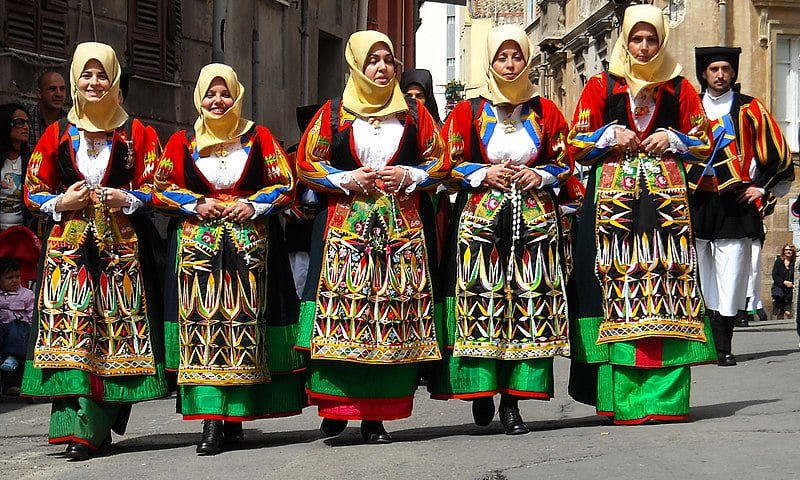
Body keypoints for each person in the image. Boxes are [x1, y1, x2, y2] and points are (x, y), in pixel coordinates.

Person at [295, 30, 448, 444]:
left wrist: (409, 175)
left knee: (390, 324)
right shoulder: (334, 114)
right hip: (345, 237)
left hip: (401, 238)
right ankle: (337, 406)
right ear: (356, 67)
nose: (382, 68)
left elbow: (441, 162)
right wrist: (347, 179)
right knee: (344, 324)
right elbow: (307, 163)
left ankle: (376, 417)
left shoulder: (415, 115)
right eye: (372, 61)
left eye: (388, 60)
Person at [566, 4, 716, 425]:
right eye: (637, 38)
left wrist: (672, 137)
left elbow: (705, 141)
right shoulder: (601, 85)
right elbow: (573, 143)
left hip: (666, 210)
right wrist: (607, 135)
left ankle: (666, 400)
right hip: (612, 210)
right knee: (617, 293)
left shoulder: (680, 87)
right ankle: (624, 400)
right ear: (625, 40)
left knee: (667, 290)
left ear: (661, 41)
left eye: (652, 38)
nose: (645, 46)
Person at [21, 42, 167, 460]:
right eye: (86, 75)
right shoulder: (57, 133)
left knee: (115, 338)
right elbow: (33, 190)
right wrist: (60, 203)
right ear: (74, 82)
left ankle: (96, 427)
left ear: (115, 81)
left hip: (121, 252)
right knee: (72, 337)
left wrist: (128, 199)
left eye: (101, 74)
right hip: (67, 252)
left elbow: (157, 186)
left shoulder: (137, 133)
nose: (94, 82)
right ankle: (78, 428)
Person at [427, 25, 572, 435]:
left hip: (535, 226)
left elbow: (565, 162)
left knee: (527, 308)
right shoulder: (469, 111)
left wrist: (539, 176)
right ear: (490, 63)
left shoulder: (545, 111)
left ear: (528, 61)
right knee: (482, 306)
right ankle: (481, 389)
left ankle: (514, 403)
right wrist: (482, 171)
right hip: (480, 224)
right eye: (502, 58)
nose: (510, 65)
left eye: (517, 57)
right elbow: (444, 161)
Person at [153, 63, 303, 455]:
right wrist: (195, 203)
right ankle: (211, 422)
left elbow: (285, 185)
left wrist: (251, 205)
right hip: (196, 259)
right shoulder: (182, 143)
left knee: (244, 334)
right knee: (202, 335)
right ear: (198, 98)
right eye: (210, 94)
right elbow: (160, 189)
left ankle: (236, 417)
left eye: (224, 94)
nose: (217, 101)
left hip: (249, 255)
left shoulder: (258, 137)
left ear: (237, 96)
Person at [687, 46, 792, 365]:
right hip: (697, 199)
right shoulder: (689, 107)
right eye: (714, 69)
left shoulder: (750, 109)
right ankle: (703, 342)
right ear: (704, 74)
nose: (720, 75)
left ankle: (724, 345)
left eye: (725, 69)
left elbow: (776, 154)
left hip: (735, 203)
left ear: (733, 72)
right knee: (699, 273)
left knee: (731, 272)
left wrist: (760, 187)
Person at [0, 257, 34, 396]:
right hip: (3, 330)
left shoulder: (27, 295)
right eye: (9, 277)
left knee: (17, 326)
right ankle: (8, 386)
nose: (15, 280)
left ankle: (13, 357)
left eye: (17, 276)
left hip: (21, 332)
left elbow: (32, 316)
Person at [0, 103, 30, 230]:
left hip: (23, 233)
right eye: (19, 122)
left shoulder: (30, 159)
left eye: (27, 122)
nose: (26, 127)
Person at [28, 71, 67, 151]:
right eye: (52, 89)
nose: (58, 94)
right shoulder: (27, 121)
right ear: (39, 93)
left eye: (62, 89)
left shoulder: (71, 123)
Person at [771, 244, 795, 320]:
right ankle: (779, 323)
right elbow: (775, 275)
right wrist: (784, 282)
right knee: (779, 311)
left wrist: (792, 284)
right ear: (783, 251)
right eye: (787, 250)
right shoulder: (779, 261)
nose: (788, 251)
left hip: (790, 289)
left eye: (790, 250)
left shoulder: (794, 263)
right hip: (779, 288)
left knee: (788, 312)